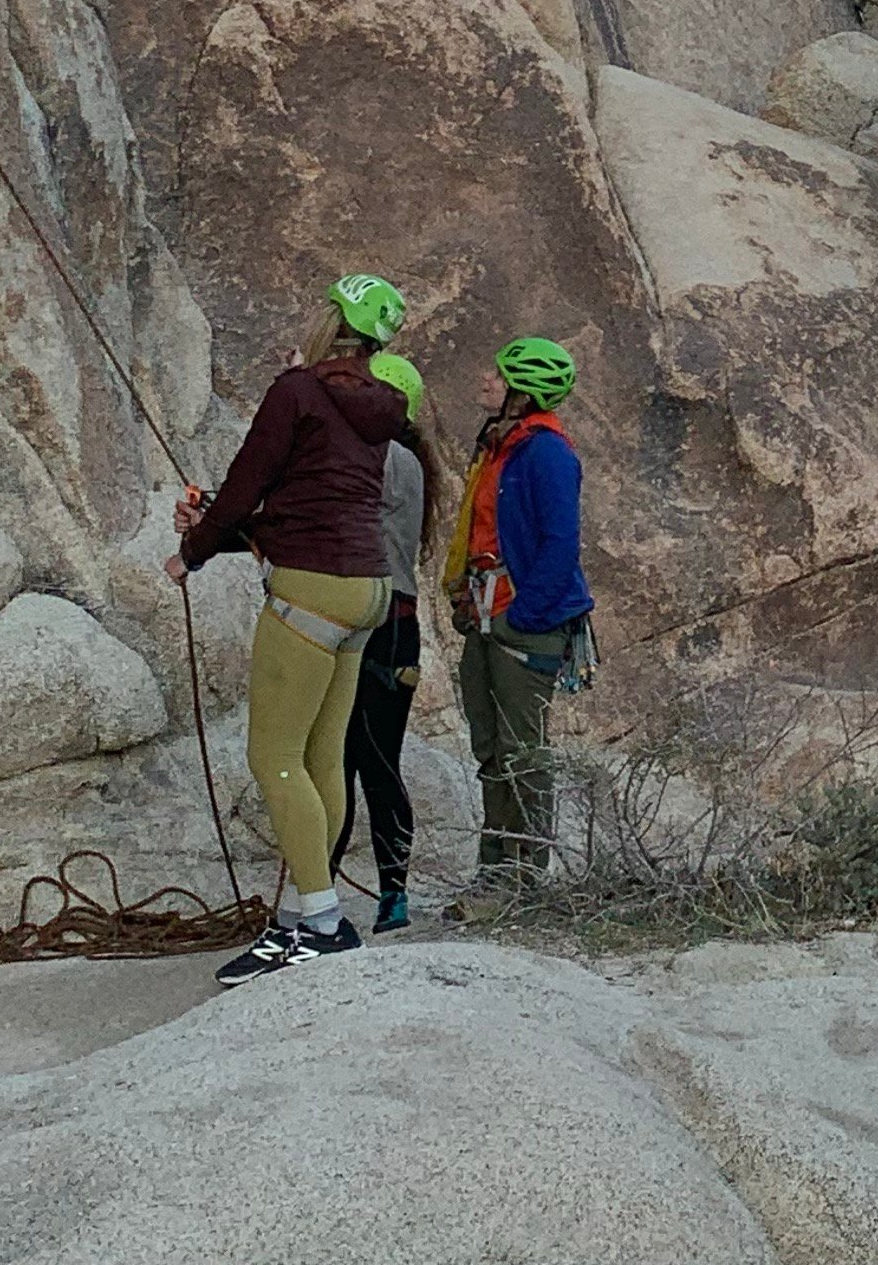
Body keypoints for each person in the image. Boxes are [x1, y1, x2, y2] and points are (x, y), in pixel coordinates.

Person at [169, 275, 415, 981]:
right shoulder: (384, 405)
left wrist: (192, 550)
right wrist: (225, 529)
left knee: (274, 757)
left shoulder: (297, 391)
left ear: (330, 317)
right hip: (367, 589)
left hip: (308, 588)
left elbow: (255, 480)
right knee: (321, 759)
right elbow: (312, 496)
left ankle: (325, 922)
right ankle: (301, 918)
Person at [444, 336, 594, 910]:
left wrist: (521, 615)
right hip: (488, 613)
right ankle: (495, 870)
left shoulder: (547, 453)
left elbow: (562, 542)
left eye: (498, 374)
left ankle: (524, 877)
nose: (485, 380)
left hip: (516, 619)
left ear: (521, 391)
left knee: (522, 750)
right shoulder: (504, 446)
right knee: (491, 747)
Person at [339, 341, 439, 935]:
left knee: (356, 762)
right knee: (366, 761)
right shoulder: (402, 457)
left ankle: (365, 891)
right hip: (393, 625)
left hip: (376, 625)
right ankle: (385, 893)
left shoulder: (387, 461)